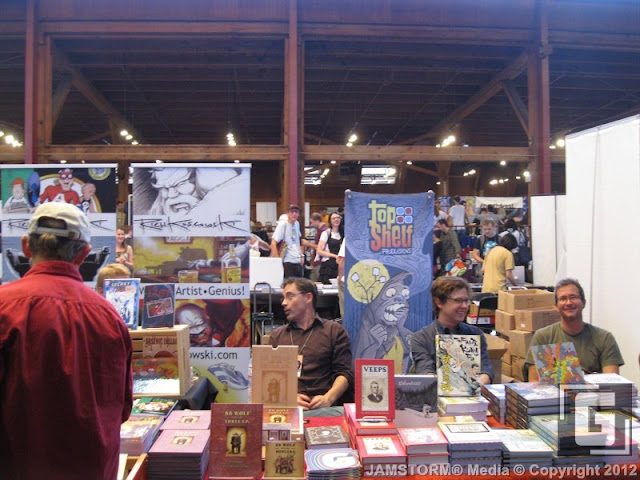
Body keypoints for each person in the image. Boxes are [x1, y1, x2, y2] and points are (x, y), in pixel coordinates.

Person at [0, 202, 133, 480]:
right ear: (84, 254)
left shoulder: (5, 306)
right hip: (90, 469)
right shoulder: (108, 316)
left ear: (26, 247)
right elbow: (121, 407)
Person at [269, 277, 354, 410]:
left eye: (290, 297)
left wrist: (328, 398)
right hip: (289, 406)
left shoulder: (334, 331)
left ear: (308, 297)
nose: (284, 303)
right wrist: (288, 397)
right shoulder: (277, 336)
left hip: (324, 406)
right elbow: (269, 377)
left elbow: (344, 373)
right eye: (283, 298)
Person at [525, 278, 624, 380]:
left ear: (583, 303)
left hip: (595, 390)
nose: (568, 303)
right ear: (556, 306)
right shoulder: (543, 337)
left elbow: (612, 382)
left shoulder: (604, 338)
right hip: (554, 391)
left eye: (573, 297)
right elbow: (534, 382)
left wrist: (584, 380)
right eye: (563, 299)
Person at [410, 276, 492, 384]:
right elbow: (425, 373)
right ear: (439, 302)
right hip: (437, 393)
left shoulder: (475, 334)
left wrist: (476, 385)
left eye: (466, 300)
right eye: (458, 300)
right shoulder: (421, 338)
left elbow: (486, 370)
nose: (464, 306)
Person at [270, 204, 305, 278]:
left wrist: (302, 255)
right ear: (287, 213)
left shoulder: (297, 224)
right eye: (292, 212)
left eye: (296, 212)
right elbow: (273, 243)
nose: (294, 214)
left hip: (297, 260)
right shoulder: (283, 225)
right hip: (287, 261)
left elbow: (298, 242)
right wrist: (278, 263)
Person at [316, 212, 342, 284]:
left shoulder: (343, 233)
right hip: (329, 264)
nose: (336, 220)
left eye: (338, 218)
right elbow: (319, 251)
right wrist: (335, 256)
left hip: (341, 265)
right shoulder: (326, 233)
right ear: (330, 221)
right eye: (334, 218)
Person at [307, 212, 328, 282]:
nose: (311, 225)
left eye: (312, 222)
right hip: (318, 261)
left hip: (321, 261)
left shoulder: (323, 231)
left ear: (317, 221)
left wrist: (308, 244)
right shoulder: (320, 231)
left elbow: (321, 247)